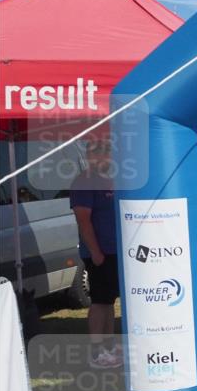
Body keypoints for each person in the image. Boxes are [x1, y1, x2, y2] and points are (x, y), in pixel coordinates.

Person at [70, 139, 122, 369]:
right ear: (89, 155)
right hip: (99, 252)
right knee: (100, 302)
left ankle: (108, 348)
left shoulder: (111, 179)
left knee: (109, 301)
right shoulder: (84, 181)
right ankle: (96, 352)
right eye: (97, 152)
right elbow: (83, 220)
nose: (102, 156)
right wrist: (96, 251)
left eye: (106, 151)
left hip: (115, 250)